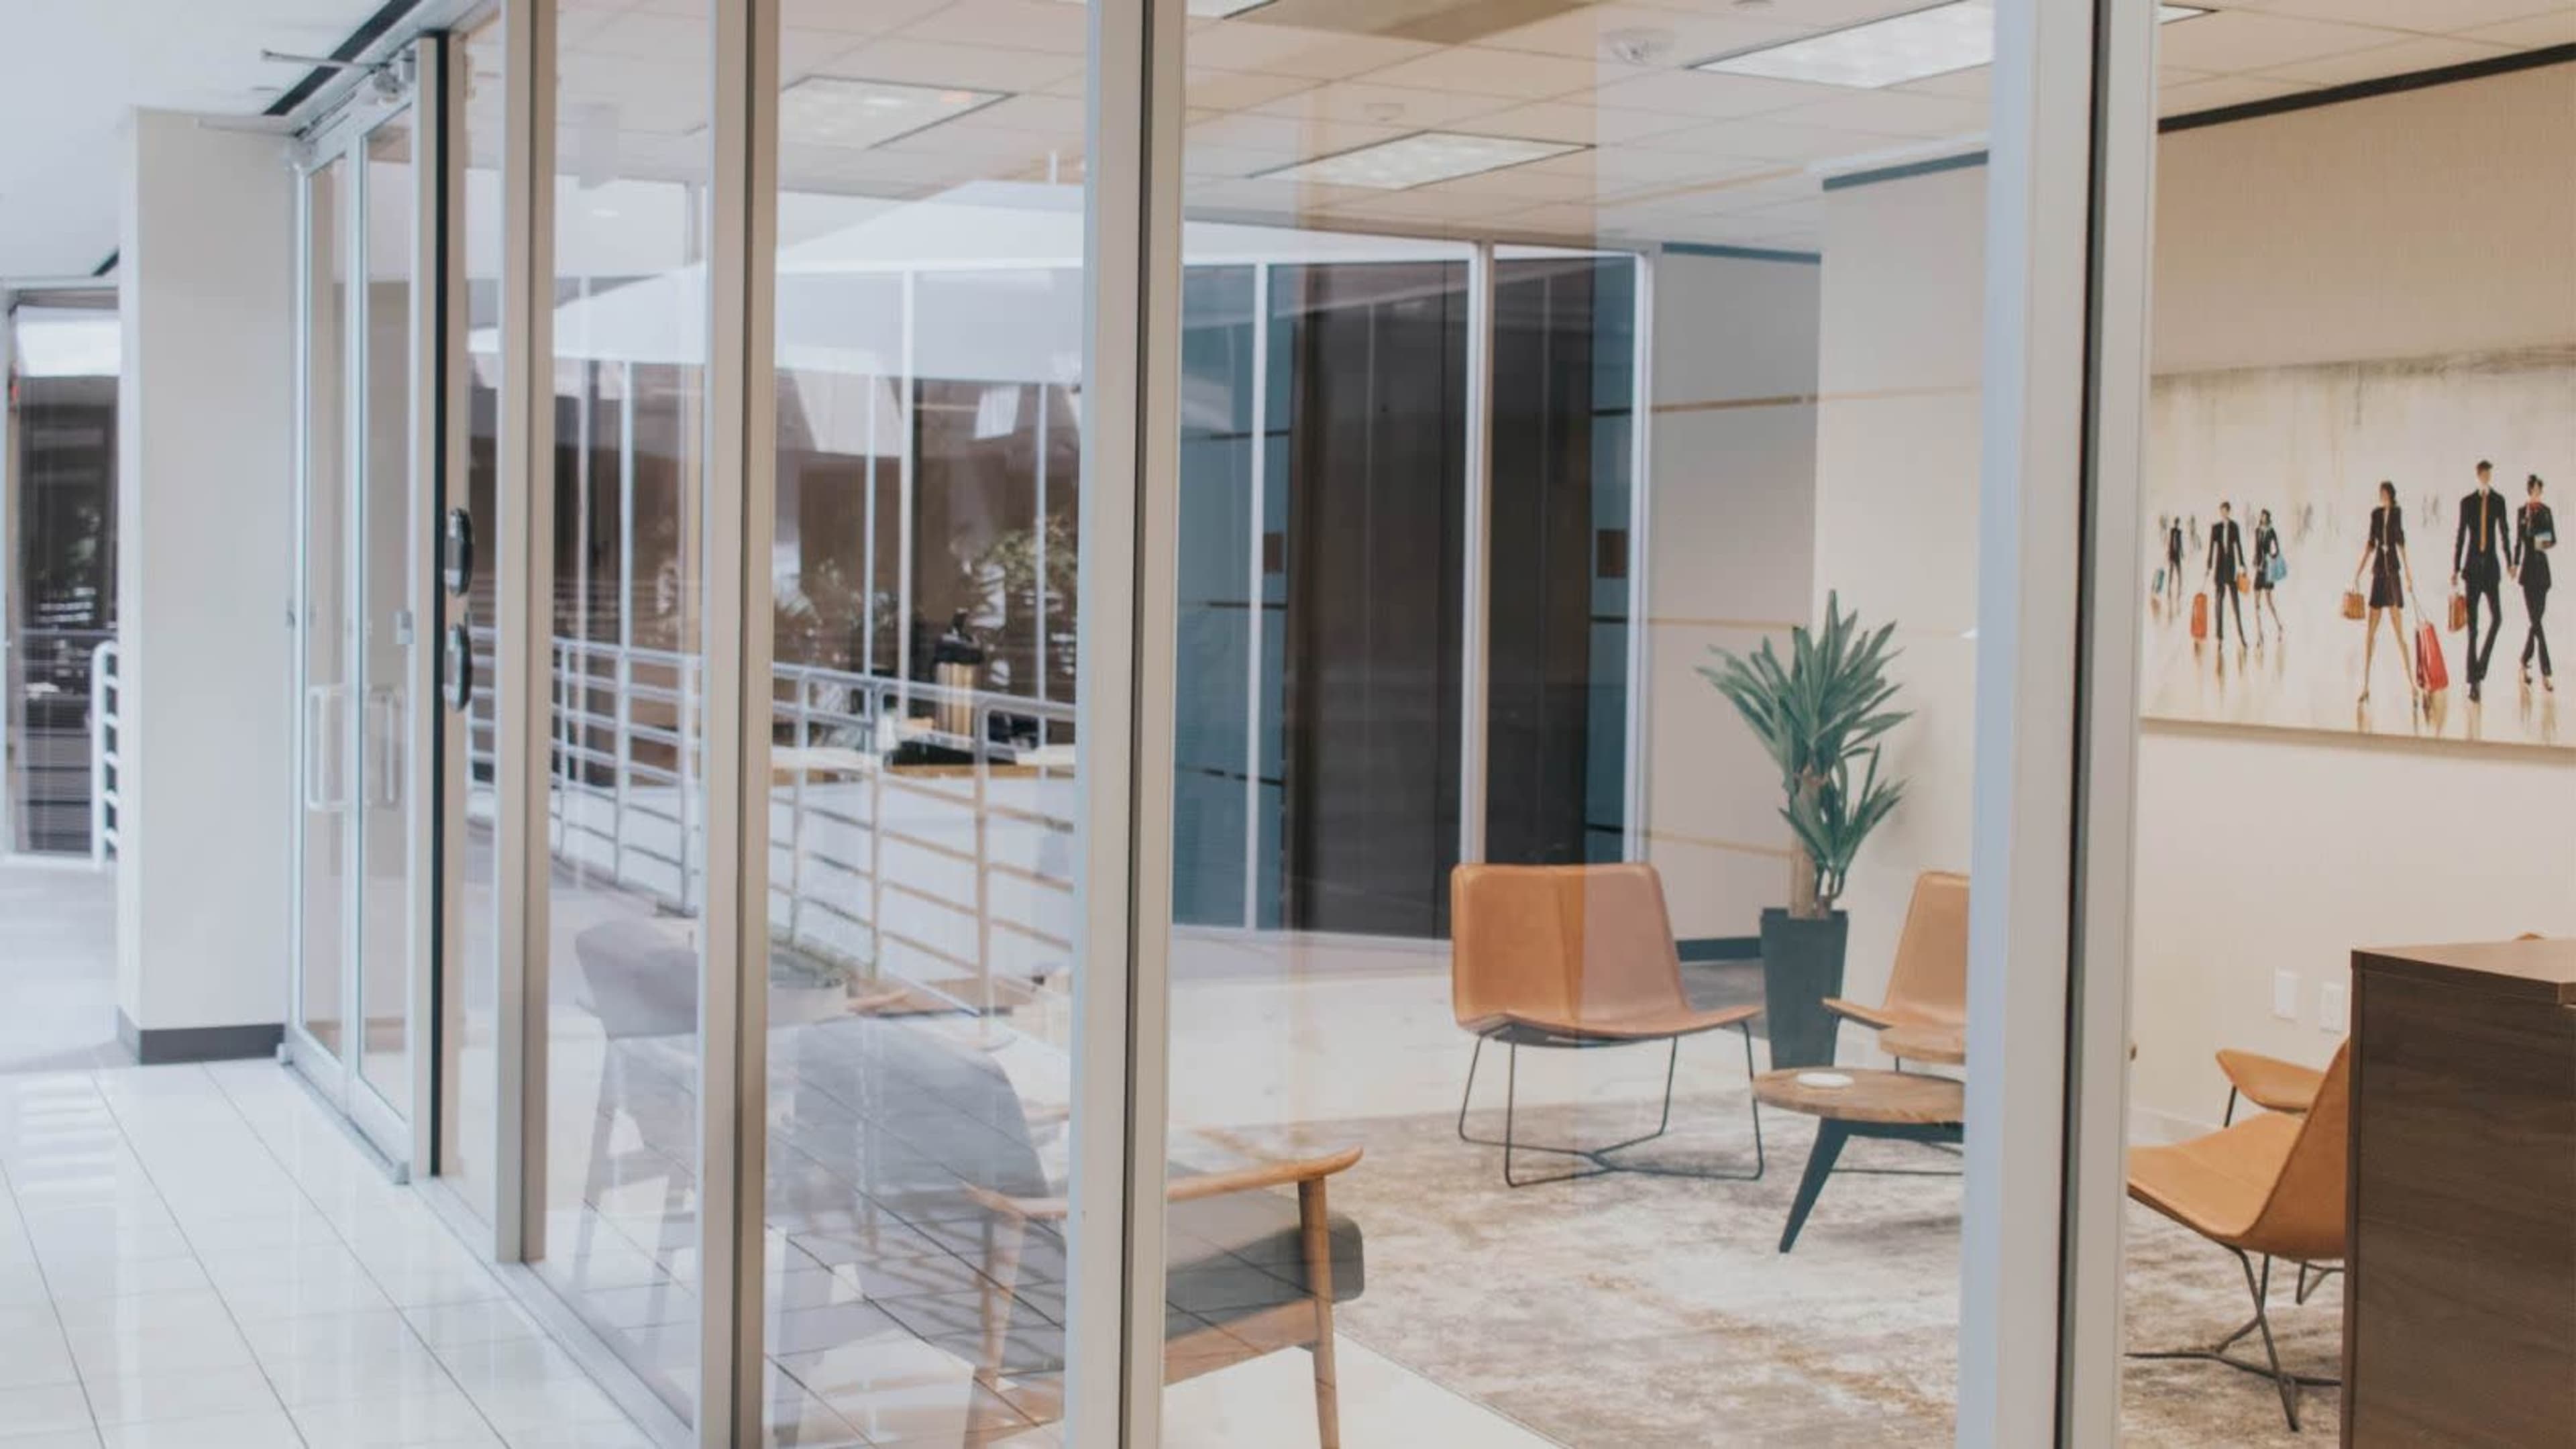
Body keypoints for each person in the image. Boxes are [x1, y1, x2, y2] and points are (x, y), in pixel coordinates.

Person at [2353, 480, 2417, 708]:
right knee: (2370, 633)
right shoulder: (2376, 514)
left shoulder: (2397, 513)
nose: (2382, 496)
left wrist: (2409, 575)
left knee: (2400, 634)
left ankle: (2413, 685)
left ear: (2390, 494)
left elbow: (2401, 543)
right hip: (2380, 572)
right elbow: (2371, 544)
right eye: (2380, 493)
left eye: (2384, 493)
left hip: (2394, 574)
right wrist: (2359, 571)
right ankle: (2366, 685)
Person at [2454, 460, 2510, 701]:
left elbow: (2504, 532)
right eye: (2484, 473)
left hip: (2491, 569)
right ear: (2478, 475)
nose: (2487, 477)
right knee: (2473, 628)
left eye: (2489, 473)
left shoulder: (2498, 501)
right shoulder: (2467, 503)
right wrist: (2455, 567)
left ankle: (2480, 667)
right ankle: (2473, 682)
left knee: (2497, 618)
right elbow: (2461, 535)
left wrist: (2510, 561)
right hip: (2472, 570)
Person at [2516, 473, 2555, 691]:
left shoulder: (2546, 512)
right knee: (2537, 622)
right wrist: (2513, 563)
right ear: (2530, 490)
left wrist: (2537, 538)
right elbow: (2519, 542)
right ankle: (2546, 672)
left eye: (2541, 490)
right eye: (2536, 490)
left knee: (2536, 622)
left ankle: (2524, 660)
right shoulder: (2523, 512)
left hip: (2543, 572)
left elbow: (2552, 540)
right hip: (2528, 571)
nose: (2539, 493)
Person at [2205, 500, 2247, 645]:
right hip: (2219, 568)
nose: (2223, 513)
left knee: (2236, 603)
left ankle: (2241, 635)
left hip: (2231, 568)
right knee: (2218, 603)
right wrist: (2209, 565)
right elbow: (2211, 547)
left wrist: (2242, 564)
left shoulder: (2235, 526)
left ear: (2229, 512)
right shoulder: (2216, 528)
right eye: (2221, 511)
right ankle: (2219, 637)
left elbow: (2239, 546)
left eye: (2225, 511)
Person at [2251, 507, 2286, 645]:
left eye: (2265, 516)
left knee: (2269, 601)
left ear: (2268, 518)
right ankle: (2260, 634)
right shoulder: (2257, 531)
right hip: (2259, 570)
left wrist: (2269, 558)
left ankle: (2279, 626)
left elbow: (2276, 550)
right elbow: (2256, 548)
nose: (2262, 518)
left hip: (2268, 570)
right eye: (2261, 516)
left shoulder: (2271, 532)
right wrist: (2255, 559)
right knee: (2257, 604)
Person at [2164, 514, 2186, 608]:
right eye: (2176, 522)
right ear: (2175, 523)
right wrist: (2168, 552)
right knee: (2171, 571)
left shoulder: (2180, 532)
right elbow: (2170, 543)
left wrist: (2182, 553)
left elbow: (2180, 543)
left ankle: (2179, 589)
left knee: (2179, 571)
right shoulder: (2172, 531)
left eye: (2178, 522)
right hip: (2172, 554)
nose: (2177, 524)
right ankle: (2169, 589)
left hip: (2177, 554)